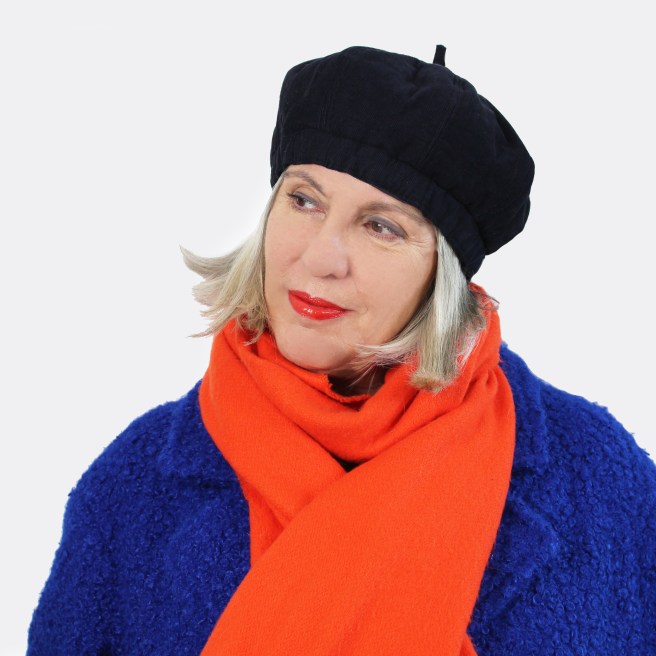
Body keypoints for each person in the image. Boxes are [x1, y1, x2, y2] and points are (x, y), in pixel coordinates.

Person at [26, 44, 656, 655]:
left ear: (441, 275)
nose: (320, 256)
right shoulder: (131, 488)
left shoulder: (599, 479)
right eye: (304, 200)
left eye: (381, 226)